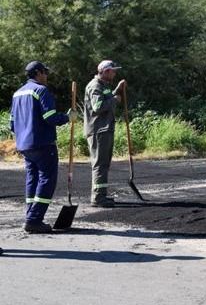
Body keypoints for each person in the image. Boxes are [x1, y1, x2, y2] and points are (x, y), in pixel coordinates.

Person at [10, 61, 76, 233]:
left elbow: (12, 124)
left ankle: (30, 216)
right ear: (38, 73)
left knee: (32, 179)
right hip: (43, 144)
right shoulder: (41, 90)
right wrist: (68, 117)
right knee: (47, 180)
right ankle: (34, 220)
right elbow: (50, 117)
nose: (46, 75)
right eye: (45, 72)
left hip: (25, 146)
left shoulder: (17, 94)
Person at [84, 60, 125, 208]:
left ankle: (101, 195)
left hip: (104, 129)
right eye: (113, 71)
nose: (115, 73)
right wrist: (115, 99)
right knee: (100, 164)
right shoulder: (95, 86)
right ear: (106, 71)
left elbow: (106, 99)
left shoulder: (104, 86)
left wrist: (117, 90)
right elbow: (98, 107)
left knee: (103, 164)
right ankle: (98, 198)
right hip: (98, 130)